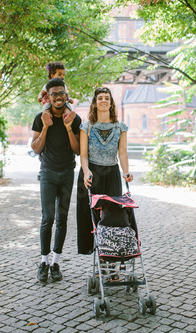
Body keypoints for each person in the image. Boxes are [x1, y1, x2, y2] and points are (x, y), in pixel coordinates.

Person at [31, 77, 81, 282]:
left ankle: (56, 263)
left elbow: (77, 150)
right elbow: (35, 149)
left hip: (67, 173)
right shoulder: (40, 118)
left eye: (61, 93)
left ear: (66, 96)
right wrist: (45, 127)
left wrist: (69, 127)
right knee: (47, 218)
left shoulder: (75, 119)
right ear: (48, 97)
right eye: (54, 94)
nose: (58, 97)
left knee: (62, 219)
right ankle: (43, 262)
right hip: (48, 174)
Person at [76, 87, 133, 255]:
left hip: (112, 174)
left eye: (107, 98)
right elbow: (83, 155)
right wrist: (86, 171)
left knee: (112, 216)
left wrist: (126, 172)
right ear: (94, 103)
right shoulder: (86, 127)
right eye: (100, 98)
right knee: (91, 217)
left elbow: (122, 152)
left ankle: (111, 257)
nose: (103, 100)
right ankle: (96, 253)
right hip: (91, 175)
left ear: (111, 103)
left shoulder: (120, 127)